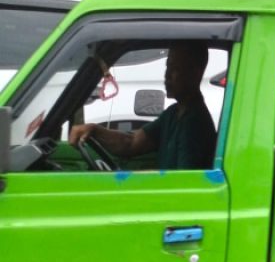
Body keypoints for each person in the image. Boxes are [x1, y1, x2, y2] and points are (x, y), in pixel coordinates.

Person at [69, 42, 216, 170]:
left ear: (195, 73)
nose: (167, 74)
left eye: (175, 68)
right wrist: (94, 130)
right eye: (168, 66)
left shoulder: (195, 124)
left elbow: (183, 184)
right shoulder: (174, 113)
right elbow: (131, 143)